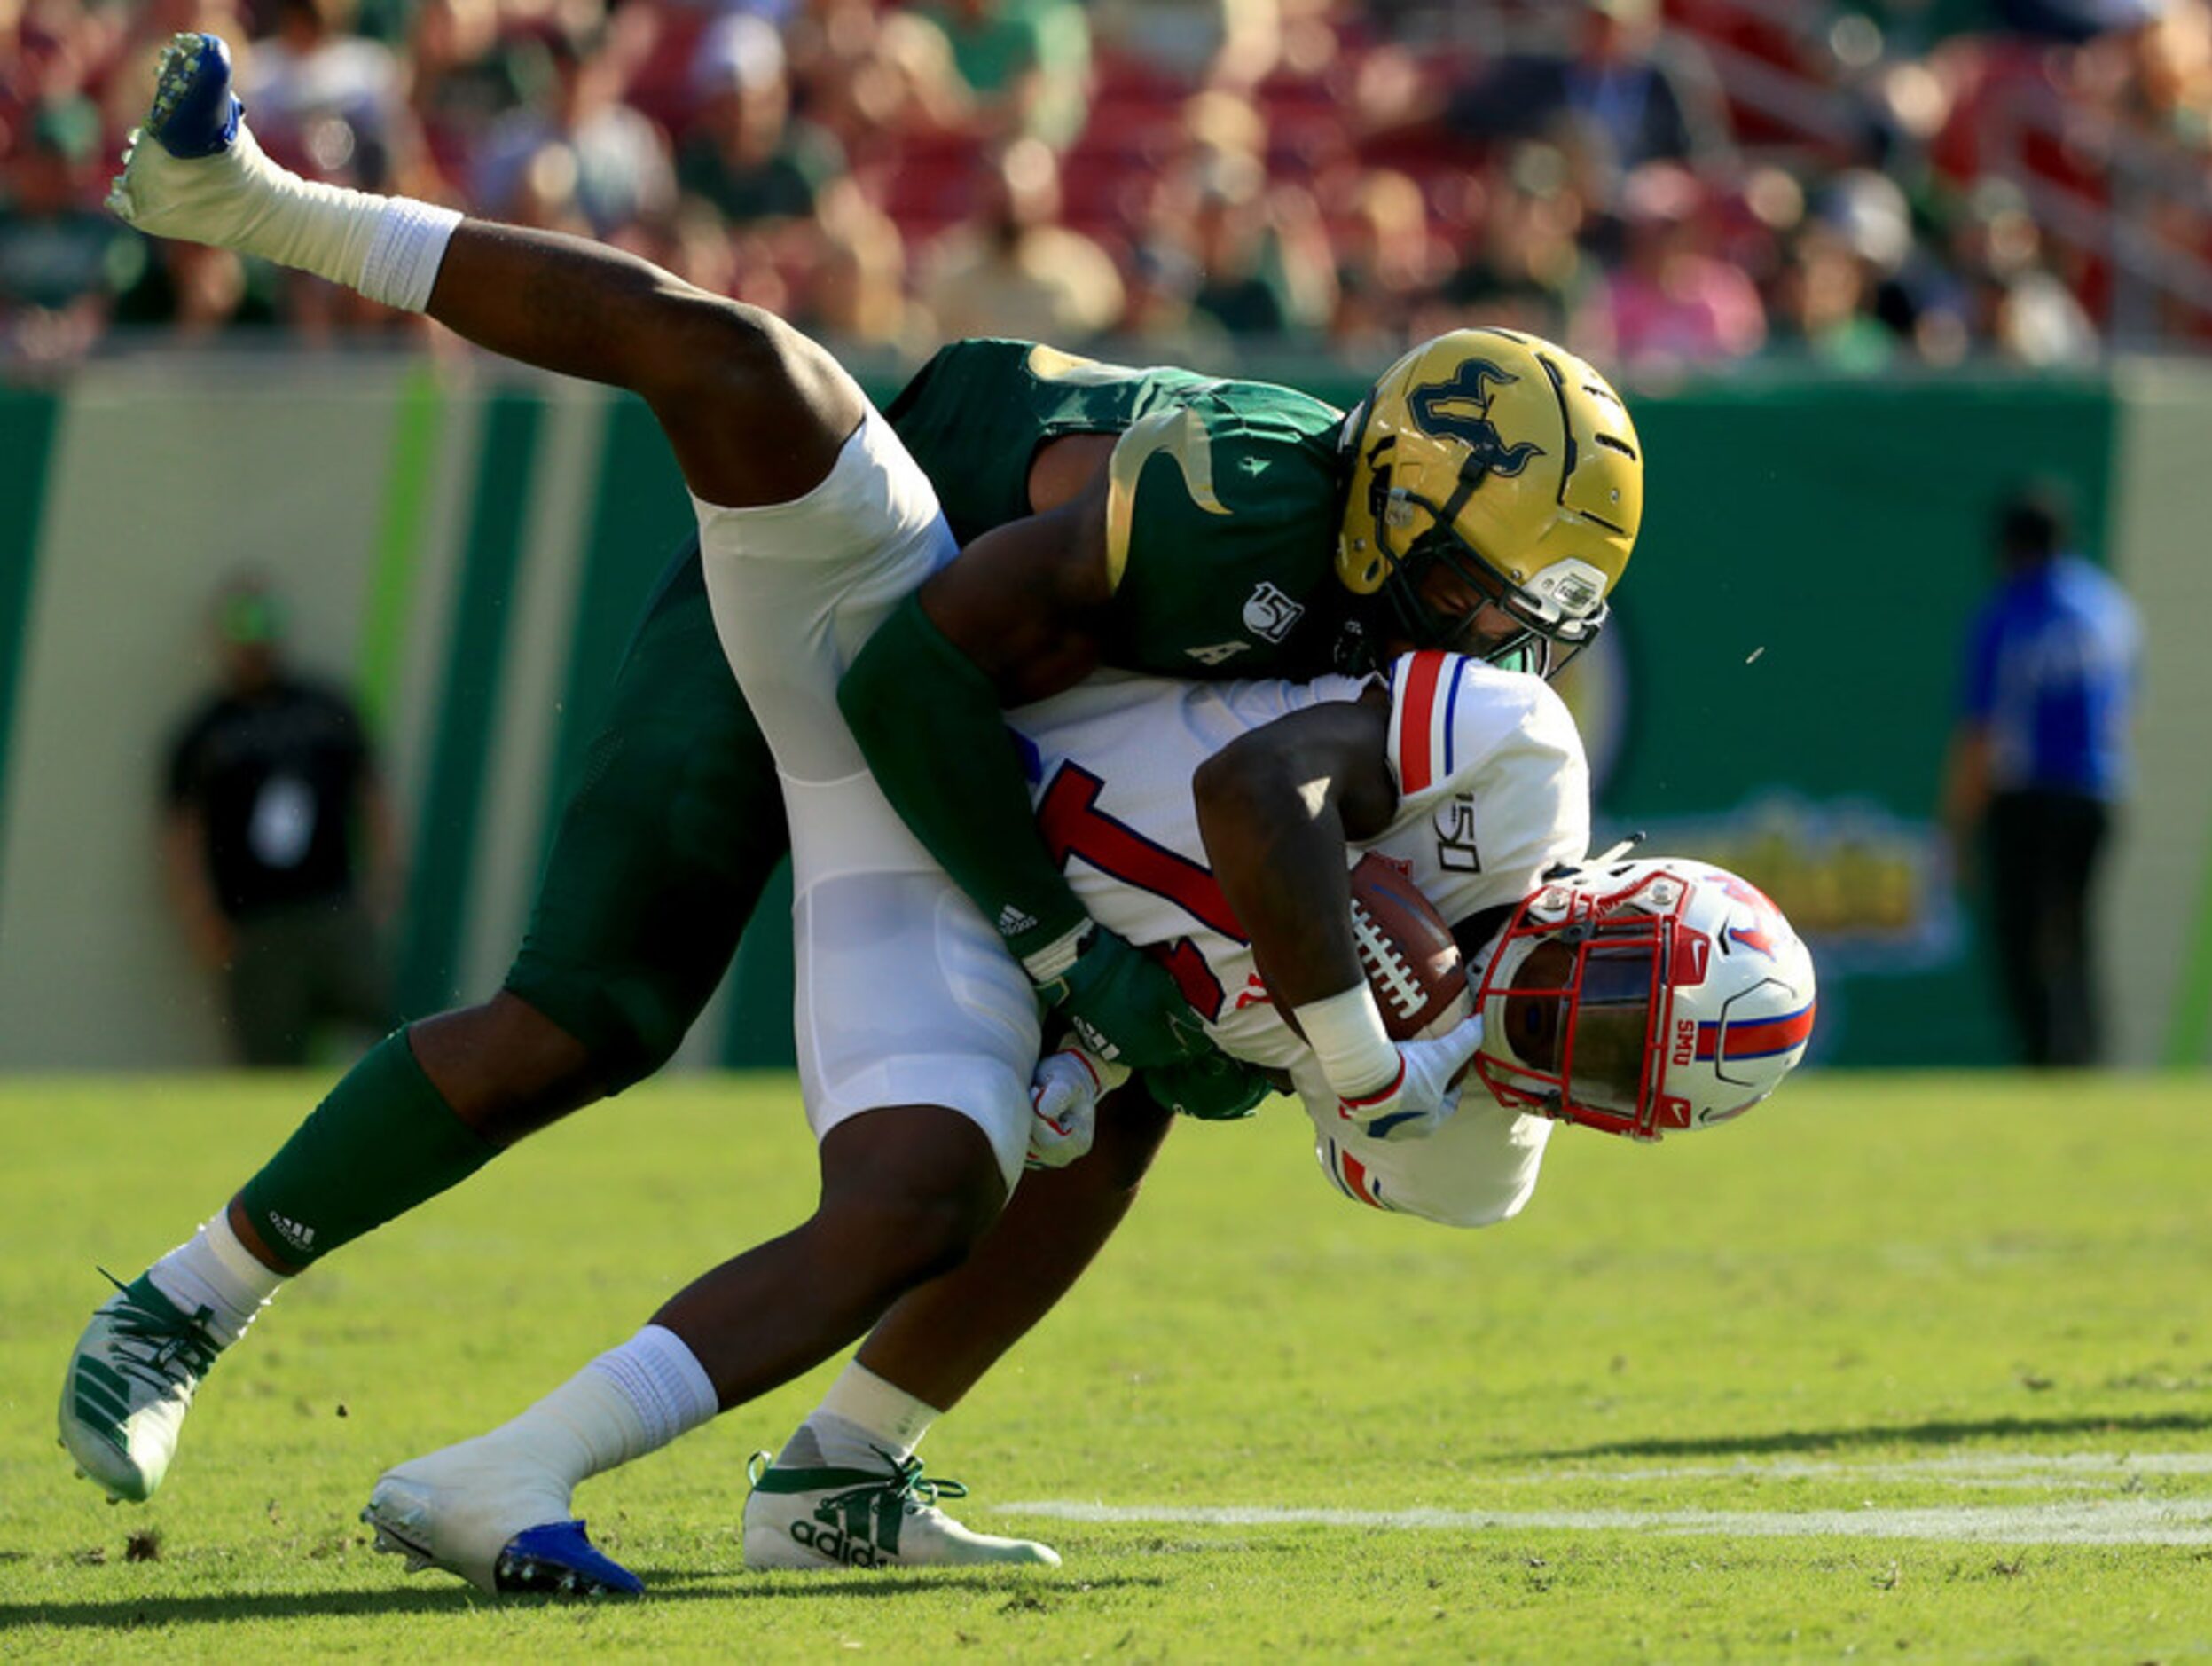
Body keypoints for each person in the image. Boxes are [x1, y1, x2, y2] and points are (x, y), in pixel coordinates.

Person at [64, 28, 1645, 1587]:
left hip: (983, 744)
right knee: (590, 1009)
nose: (1478, 635)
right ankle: (182, 1298)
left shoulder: (1399, 659)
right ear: (1391, 499)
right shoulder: (1237, 517)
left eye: (1512, 614)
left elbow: (1241, 931)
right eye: (1462, 583)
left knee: (1112, 1103)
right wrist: (1052, 947)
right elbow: (906, 678)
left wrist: (1203, 1006)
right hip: (864, 606)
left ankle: (846, 1463)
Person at [383, 645, 1816, 1593]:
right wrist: (1359, 1042)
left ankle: (835, 1471)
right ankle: (508, 1458)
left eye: (1613, 1062)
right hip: (962, 797)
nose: (1568, 1029)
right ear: (1616, 891)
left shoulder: (1479, 1159)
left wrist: (1321, 1037)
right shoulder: (1511, 763)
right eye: (1605, 989)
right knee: (922, 1189)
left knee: (1111, 1128)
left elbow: (1233, 1042)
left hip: (1071, 907)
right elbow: (1257, 800)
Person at [161, 574, 399, 1066]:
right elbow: (182, 831)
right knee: (270, 1058)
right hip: (256, 921)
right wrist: (200, 916)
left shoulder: (325, 706)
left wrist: (384, 881)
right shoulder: (206, 730)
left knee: (386, 1031)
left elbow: (373, 794)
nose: (256, 649)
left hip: (332, 907)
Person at [1943, 485, 2139, 1068]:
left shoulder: (2009, 615)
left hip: (2028, 797)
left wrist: (1957, 828)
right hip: (2098, 792)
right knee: (2078, 930)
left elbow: (1980, 734)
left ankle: (2046, 1060)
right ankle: (2088, 1052)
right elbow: (2127, 710)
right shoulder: (2109, 608)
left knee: (2023, 935)